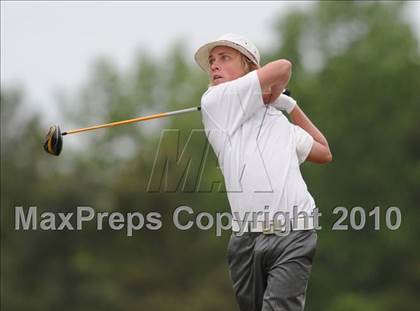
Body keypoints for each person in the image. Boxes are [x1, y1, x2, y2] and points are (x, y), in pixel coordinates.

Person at [194, 33, 332, 311]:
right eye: (211, 61)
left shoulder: (279, 123)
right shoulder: (216, 101)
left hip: (296, 230)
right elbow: (280, 71)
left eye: (224, 58)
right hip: (246, 240)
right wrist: (273, 93)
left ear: (249, 68)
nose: (214, 66)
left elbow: (324, 152)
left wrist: (290, 107)